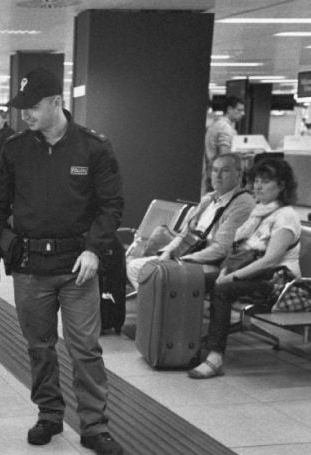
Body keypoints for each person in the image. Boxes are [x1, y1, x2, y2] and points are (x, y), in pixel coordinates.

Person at [0, 67, 125, 455]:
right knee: (39, 347)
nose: (25, 114)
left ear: (56, 103)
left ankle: (94, 425)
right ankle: (49, 414)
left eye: (32, 107)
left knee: (85, 349)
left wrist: (94, 248)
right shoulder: (14, 149)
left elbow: (111, 206)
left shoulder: (93, 148)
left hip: (78, 266)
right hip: (29, 267)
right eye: (21, 107)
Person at [190, 158, 301, 379]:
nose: (258, 186)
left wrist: (231, 277)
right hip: (252, 275)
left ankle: (215, 357)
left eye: (266, 181)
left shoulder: (286, 217)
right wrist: (226, 271)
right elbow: (240, 251)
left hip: (278, 284)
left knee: (222, 291)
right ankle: (184, 342)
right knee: (194, 281)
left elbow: (269, 261)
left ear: (281, 186)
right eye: (256, 181)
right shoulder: (258, 213)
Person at [126, 153, 255, 290]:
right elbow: (184, 234)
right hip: (187, 255)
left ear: (239, 174)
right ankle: (157, 307)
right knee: (134, 267)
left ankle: (160, 308)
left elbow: (221, 248)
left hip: (211, 263)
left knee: (146, 271)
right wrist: (167, 253)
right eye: (215, 170)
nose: (218, 176)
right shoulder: (208, 199)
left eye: (225, 171)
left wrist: (182, 260)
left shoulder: (243, 203)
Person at [202, 95, 245, 196]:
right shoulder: (225, 128)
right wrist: (240, 157)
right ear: (229, 109)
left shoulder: (216, 124)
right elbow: (225, 157)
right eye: (239, 110)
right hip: (221, 177)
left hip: (212, 173)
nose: (243, 113)